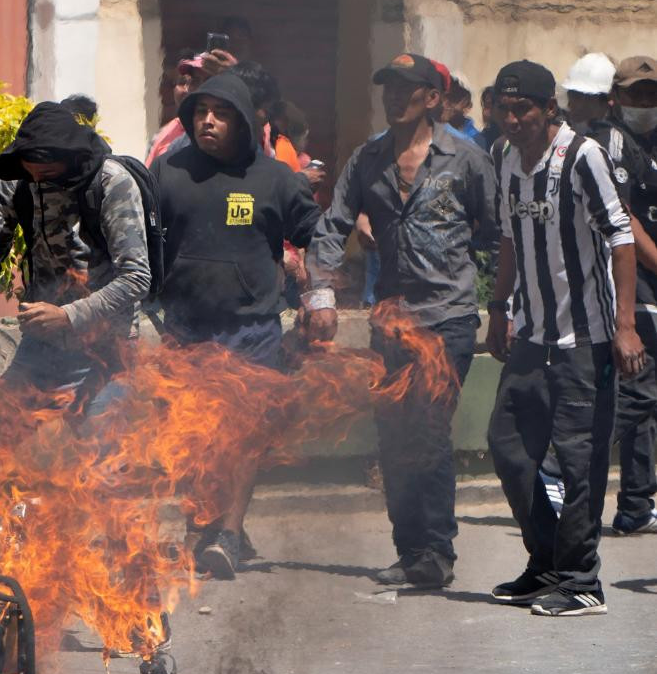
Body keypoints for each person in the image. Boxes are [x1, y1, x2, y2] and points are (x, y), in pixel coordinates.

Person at [305, 53, 498, 589]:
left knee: (430, 432)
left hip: (448, 320)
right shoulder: (368, 160)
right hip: (390, 322)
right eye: (388, 87)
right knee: (393, 437)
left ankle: (437, 551)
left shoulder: (465, 158)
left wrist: (494, 295)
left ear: (433, 98)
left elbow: (494, 227)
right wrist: (320, 292)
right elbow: (330, 227)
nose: (394, 96)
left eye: (407, 89)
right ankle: (408, 548)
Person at [485, 59, 643, 616]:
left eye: (522, 108)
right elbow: (508, 238)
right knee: (508, 447)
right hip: (530, 336)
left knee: (581, 463)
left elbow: (621, 240)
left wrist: (624, 327)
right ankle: (546, 562)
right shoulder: (505, 159)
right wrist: (498, 307)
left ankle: (582, 582)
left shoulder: (582, 157)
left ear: (548, 108)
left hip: (587, 341)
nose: (512, 119)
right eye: (503, 109)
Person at [152, 72, 321, 578]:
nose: (208, 120)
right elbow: (140, 240)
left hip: (252, 329)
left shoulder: (275, 179)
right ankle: (198, 527)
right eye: (201, 110)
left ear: (244, 121)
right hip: (184, 329)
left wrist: (316, 293)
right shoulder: (167, 171)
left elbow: (318, 236)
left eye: (221, 113)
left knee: (242, 436)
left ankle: (226, 534)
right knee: (191, 436)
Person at [0, 102, 150, 405]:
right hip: (40, 343)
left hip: (107, 346)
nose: (38, 181)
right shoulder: (17, 180)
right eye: (33, 174)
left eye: (49, 173)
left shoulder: (111, 182)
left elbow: (136, 277)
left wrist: (68, 315)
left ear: (71, 161)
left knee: (93, 446)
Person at [604, 55, 657, 534]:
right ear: (616, 98)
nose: (645, 103)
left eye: (652, 94)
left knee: (646, 399)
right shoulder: (610, 143)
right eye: (636, 94)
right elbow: (624, 220)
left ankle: (637, 504)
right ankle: (558, 467)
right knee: (639, 393)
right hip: (629, 283)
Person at [147, 50, 203, 166]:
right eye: (182, 82)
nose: (187, 89)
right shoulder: (162, 135)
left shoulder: (216, 133)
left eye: (195, 82)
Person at [441, 73, 485, 146]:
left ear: (468, 106)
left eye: (455, 97)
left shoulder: (475, 139)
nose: (447, 102)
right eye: (446, 95)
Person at [479, 85, 502, 151]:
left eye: (489, 106)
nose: (484, 112)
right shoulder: (482, 138)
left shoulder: (512, 139)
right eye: (484, 106)